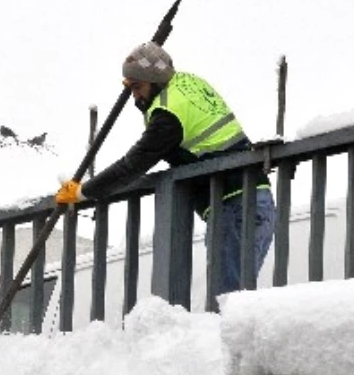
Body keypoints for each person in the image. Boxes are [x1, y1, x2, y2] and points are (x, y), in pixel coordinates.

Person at [55, 42, 276, 307]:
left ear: (155, 81)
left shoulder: (167, 114)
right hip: (254, 199)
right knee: (236, 301)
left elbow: (132, 165)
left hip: (232, 205)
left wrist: (82, 192)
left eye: (138, 87)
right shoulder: (189, 82)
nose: (135, 97)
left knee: (228, 306)